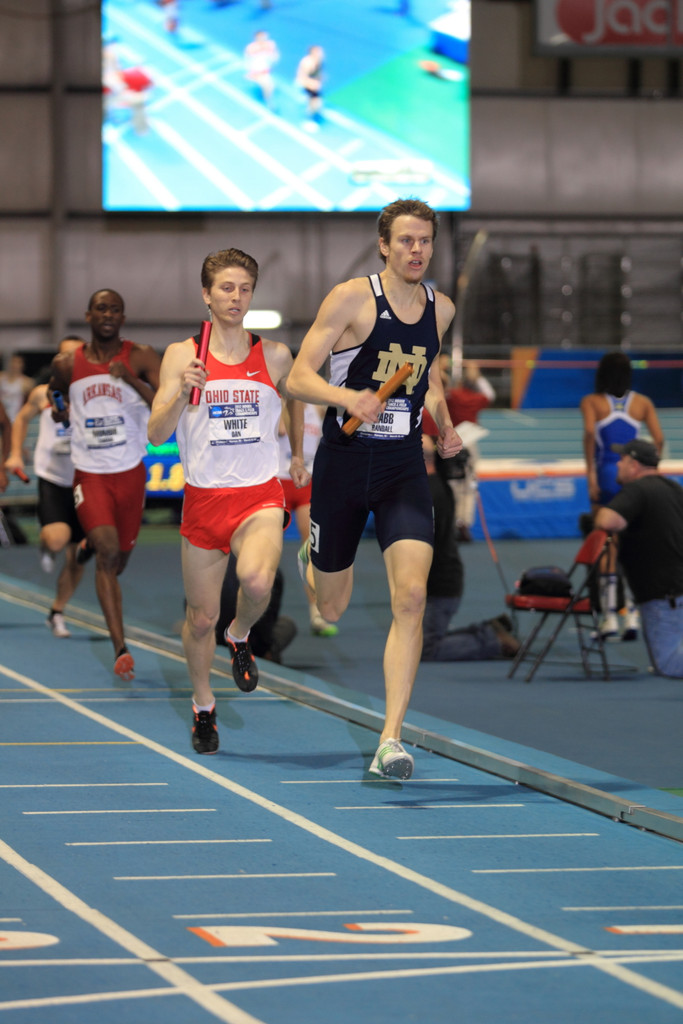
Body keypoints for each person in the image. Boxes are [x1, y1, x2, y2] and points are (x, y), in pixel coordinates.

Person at [287, 197, 462, 780]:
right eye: (406, 240)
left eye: (425, 241)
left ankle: (390, 739)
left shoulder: (441, 309)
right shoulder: (351, 298)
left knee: (410, 596)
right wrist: (348, 398)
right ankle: (313, 560)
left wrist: (444, 423)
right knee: (330, 605)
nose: (417, 250)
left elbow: (428, 379)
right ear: (384, 245)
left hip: (401, 467)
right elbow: (297, 378)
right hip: (343, 462)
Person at [147, 247, 309, 756]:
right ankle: (203, 706)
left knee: (258, 580)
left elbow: (296, 397)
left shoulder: (275, 355)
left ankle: (239, 635)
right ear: (206, 294)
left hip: (259, 494)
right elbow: (155, 433)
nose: (236, 297)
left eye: (244, 289)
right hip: (203, 499)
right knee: (200, 619)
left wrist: (297, 453)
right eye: (226, 288)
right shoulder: (183, 355)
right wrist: (181, 392)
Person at [49, 289, 161, 679]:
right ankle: (120, 647)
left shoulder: (141, 356)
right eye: (101, 308)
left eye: (115, 309)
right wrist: (60, 409)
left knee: (119, 561)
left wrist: (129, 379)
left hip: (130, 471)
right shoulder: (67, 362)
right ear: (89, 316)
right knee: (108, 554)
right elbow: (54, 390)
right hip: (90, 472)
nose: (108, 314)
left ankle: (86, 547)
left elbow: (164, 404)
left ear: (122, 318)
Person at [5, 337, 87, 637]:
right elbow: (20, 420)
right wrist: (15, 452)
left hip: (86, 480)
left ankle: (57, 612)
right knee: (56, 540)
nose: (69, 360)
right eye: (63, 355)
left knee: (78, 555)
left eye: (75, 355)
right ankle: (46, 546)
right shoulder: (42, 392)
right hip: (53, 477)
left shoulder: (91, 391)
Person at [580, 350, 664, 639]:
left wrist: (591, 475)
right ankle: (633, 614)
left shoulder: (591, 402)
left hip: (607, 474)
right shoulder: (642, 403)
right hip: (634, 476)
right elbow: (659, 439)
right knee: (634, 543)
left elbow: (589, 435)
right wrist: (648, 471)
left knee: (607, 544)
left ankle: (609, 617)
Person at [420, 434, 519, 662]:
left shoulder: (429, 492)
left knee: (426, 648)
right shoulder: (438, 485)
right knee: (419, 639)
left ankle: (494, 642)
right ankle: (490, 630)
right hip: (442, 578)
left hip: (439, 583)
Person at [595, 440, 683, 679]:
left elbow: (608, 520)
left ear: (634, 465)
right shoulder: (674, 488)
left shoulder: (637, 490)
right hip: (675, 588)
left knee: (668, 665)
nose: (617, 465)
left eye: (621, 460)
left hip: (663, 593)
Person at [277, 400, 337, 636]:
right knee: (269, 549)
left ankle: (317, 613)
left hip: (307, 482)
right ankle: (259, 614)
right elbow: (281, 430)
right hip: (279, 481)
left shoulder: (317, 408)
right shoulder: (278, 403)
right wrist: (287, 404)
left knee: (312, 548)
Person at [244, 30, 279, 108]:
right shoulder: (251, 48)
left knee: (270, 86)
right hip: (257, 72)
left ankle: (268, 100)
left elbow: (275, 57)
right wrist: (250, 72)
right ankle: (270, 103)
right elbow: (247, 60)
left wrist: (272, 58)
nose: (263, 39)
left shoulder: (270, 45)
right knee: (268, 85)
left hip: (266, 71)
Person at [296, 45, 324, 132]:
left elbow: (319, 73)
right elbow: (301, 79)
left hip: (314, 85)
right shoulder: (306, 63)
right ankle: (309, 119)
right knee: (314, 104)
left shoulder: (319, 61)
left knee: (317, 104)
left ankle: (311, 116)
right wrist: (311, 84)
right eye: (319, 52)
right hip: (307, 85)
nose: (321, 53)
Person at [0, 354, 34, 422]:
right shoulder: (1, 377)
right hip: (2, 416)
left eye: (18, 362)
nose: (14, 365)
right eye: (13, 361)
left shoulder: (27, 382)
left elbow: (30, 403)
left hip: (15, 417)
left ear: (23, 365)